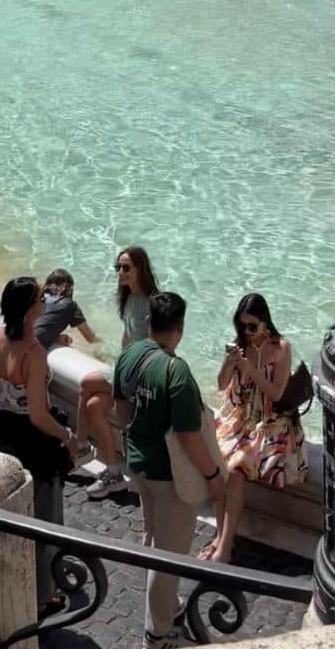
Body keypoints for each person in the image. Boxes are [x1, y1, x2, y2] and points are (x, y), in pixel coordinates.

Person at [113, 292, 223, 649]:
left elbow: (121, 408)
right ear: (180, 329)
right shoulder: (176, 371)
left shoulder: (129, 354)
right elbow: (189, 436)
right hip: (169, 477)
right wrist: (212, 475)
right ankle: (158, 636)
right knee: (169, 555)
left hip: (139, 465)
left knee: (153, 539)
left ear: (148, 323)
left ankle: (168, 610)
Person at [0, 277, 77, 620]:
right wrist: (66, 434)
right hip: (36, 445)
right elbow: (38, 414)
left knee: (14, 519)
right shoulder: (33, 353)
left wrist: (7, 401)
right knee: (45, 519)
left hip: (5, 434)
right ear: (29, 308)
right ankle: (42, 597)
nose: (45, 300)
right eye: (40, 297)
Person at [203, 293, 307, 563]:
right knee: (215, 459)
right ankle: (218, 535)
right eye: (242, 326)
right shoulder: (240, 346)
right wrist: (229, 364)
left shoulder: (281, 348)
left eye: (253, 326)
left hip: (270, 422)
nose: (247, 332)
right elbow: (220, 385)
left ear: (265, 322)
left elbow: (275, 392)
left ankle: (225, 545)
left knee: (236, 469)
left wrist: (251, 369)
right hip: (241, 417)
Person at [81, 246, 159, 499]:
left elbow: (153, 346)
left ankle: (80, 446)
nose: (121, 273)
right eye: (118, 268)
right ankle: (113, 472)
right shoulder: (129, 297)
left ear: (140, 269)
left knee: (86, 382)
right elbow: (127, 336)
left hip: (138, 375)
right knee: (93, 405)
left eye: (126, 268)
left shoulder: (151, 303)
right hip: (125, 368)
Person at [35, 269, 98, 351]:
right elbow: (90, 338)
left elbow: (39, 326)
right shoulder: (70, 305)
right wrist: (103, 344)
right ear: (70, 288)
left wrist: (55, 337)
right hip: (34, 349)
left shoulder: (38, 297)